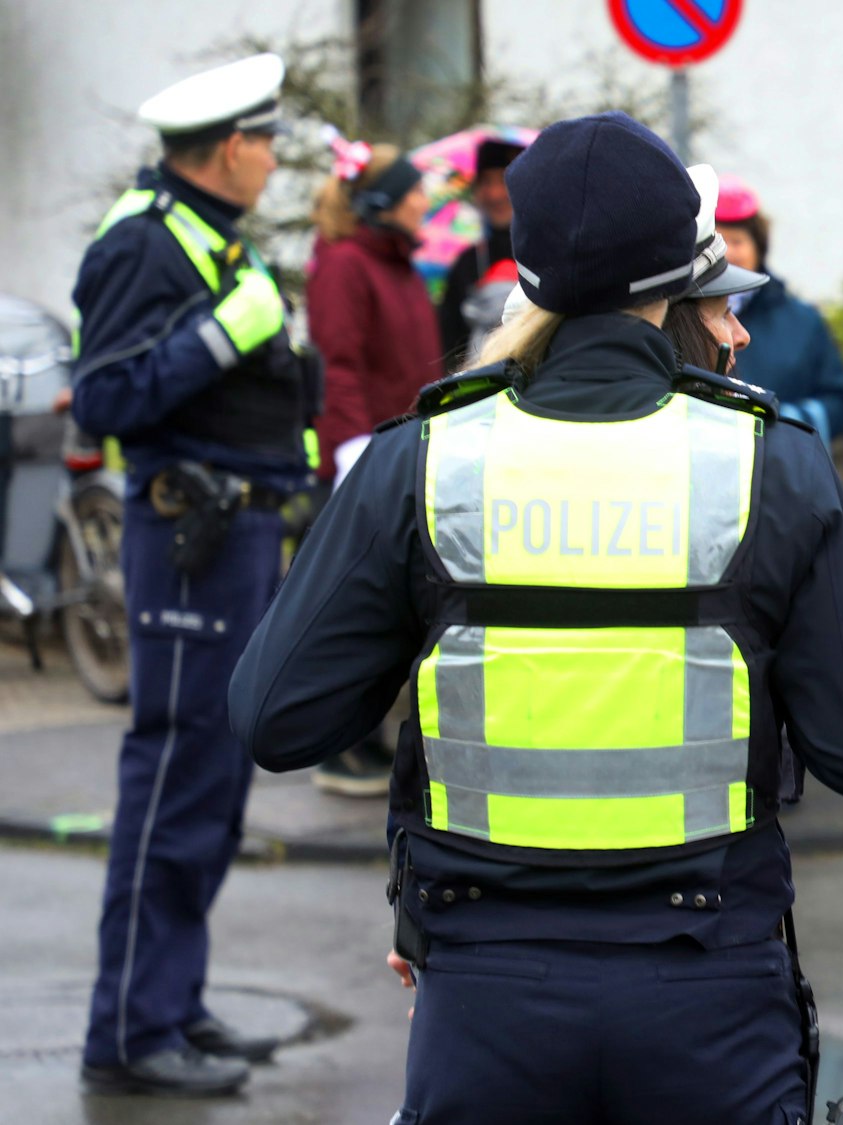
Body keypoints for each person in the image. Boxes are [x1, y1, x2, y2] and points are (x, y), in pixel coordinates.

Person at [227, 113, 843, 1122]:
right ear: (680, 284)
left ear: (528, 272)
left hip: (483, 999)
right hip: (710, 998)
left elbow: (276, 718)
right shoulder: (767, 463)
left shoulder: (422, 463)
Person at [68, 53, 310, 1097]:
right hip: (187, 541)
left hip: (235, 537)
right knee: (174, 780)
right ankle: (129, 1028)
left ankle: (173, 1000)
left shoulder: (209, 239)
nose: (272, 162)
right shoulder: (143, 242)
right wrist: (221, 335)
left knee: (210, 784)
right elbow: (105, 398)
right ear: (228, 148)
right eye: (265, 143)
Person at [301, 131, 441, 796]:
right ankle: (341, 748)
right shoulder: (345, 265)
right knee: (359, 609)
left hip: (402, 454)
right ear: (387, 199)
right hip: (365, 461)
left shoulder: (399, 266)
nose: (426, 199)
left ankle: (374, 739)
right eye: (416, 189)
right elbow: (341, 364)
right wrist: (353, 451)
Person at [712, 174, 843, 442]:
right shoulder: (675, 317)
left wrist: (782, 421)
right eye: (716, 242)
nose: (726, 254)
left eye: (736, 241)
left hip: (781, 469)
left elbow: (840, 403)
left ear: (759, 248)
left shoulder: (803, 322)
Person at [436, 137, 527, 369]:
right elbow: (448, 341)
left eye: (504, 180)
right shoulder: (466, 262)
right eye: (486, 182)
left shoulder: (547, 253)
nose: (495, 194)